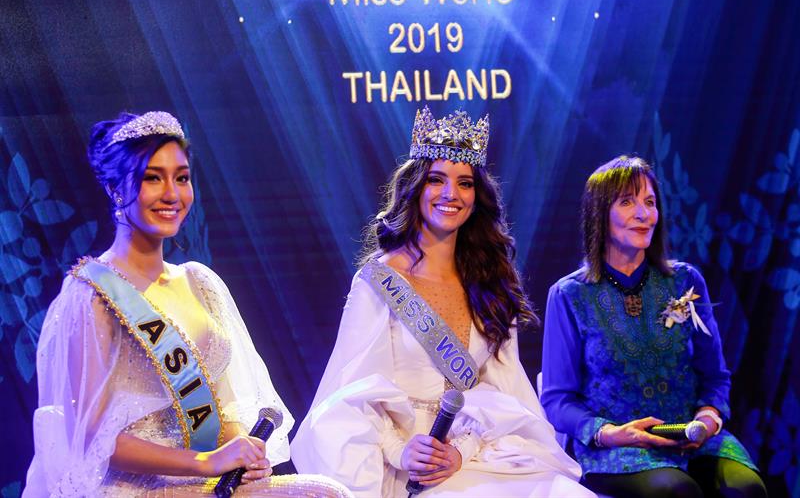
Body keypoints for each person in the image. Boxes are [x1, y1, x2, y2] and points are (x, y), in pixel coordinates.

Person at [23, 111, 350, 497]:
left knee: (324, 492)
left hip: (210, 479)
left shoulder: (200, 283)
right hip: (137, 487)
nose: (172, 194)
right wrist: (204, 462)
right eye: (152, 178)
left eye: (181, 178)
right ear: (115, 189)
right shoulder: (92, 293)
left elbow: (221, 407)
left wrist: (242, 451)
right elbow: (92, 439)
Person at [291, 106, 594, 497]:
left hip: (474, 454)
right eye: (437, 179)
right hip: (404, 463)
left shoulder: (492, 282)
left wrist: (462, 451)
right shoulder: (379, 282)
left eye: (464, 183)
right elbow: (348, 394)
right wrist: (401, 451)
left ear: (476, 196)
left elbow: (506, 393)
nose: (451, 194)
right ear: (416, 187)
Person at [541, 155, 767, 498]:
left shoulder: (685, 281)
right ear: (599, 214)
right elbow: (558, 400)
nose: (643, 214)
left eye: (650, 202)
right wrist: (609, 432)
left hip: (692, 437)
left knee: (745, 489)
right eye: (627, 202)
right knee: (676, 492)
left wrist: (708, 419)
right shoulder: (569, 294)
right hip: (619, 447)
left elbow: (715, 376)